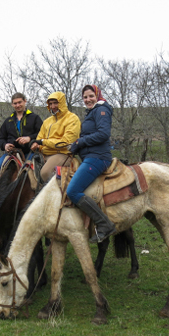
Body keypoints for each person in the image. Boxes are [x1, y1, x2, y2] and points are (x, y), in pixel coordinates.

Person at [66, 84, 116, 243]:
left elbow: (103, 134)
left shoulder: (102, 110)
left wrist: (80, 142)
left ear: (97, 95)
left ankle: (104, 224)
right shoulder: (92, 112)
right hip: (89, 157)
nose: (88, 100)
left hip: (98, 158)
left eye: (91, 96)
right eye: (85, 97)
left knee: (72, 191)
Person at [0, 93, 43, 209]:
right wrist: (5, 145)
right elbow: (1, 138)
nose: (17, 105)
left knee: (35, 174)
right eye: (15, 103)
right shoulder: (8, 121)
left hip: (29, 152)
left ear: (25, 101)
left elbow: (42, 134)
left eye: (19, 102)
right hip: (12, 153)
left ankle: (39, 200)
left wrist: (30, 138)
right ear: (12, 104)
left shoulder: (35, 118)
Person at [30, 91, 81, 182]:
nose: (53, 106)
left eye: (55, 103)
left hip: (63, 154)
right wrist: (37, 146)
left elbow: (65, 142)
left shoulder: (72, 118)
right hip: (44, 154)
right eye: (50, 104)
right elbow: (39, 139)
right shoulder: (47, 121)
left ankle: (57, 195)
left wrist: (42, 142)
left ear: (61, 103)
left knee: (45, 173)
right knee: (25, 171)